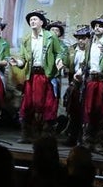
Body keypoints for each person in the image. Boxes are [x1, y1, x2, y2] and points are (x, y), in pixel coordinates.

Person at [10, 9, 66, 144]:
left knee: (48, 106)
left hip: (46, 76)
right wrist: (17, 62)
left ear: (42, 22)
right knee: (27, 105)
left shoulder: (50, 36)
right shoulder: (26, 39)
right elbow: (24, 59)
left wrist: (59, 61)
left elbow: (59, 52)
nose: (32, 21)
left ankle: (45, 137)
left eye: (35, 19)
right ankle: (27, 134)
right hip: (32, 76)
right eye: (30, 20)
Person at [74, 15, 103, 154]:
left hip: (102, 81)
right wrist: (80, 72)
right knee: (88, 111)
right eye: (95, 26)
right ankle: (87, 141)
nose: (96, 28)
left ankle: (99, 142)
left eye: (100, 26)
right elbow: (85, 62)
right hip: (90, 80)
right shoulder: (90, 42)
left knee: (102, 112)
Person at [61, 25, 91, 147]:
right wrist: (65, 69)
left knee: (86, 113)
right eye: (78, 38)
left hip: (88, 85)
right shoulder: (71, 50)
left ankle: (85, 139)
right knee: (73, 112)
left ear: (88, 38)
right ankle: (72, 137)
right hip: (75, 85)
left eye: (83, 38)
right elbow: (65, 65)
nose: (80, 41)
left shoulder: (92, 50)